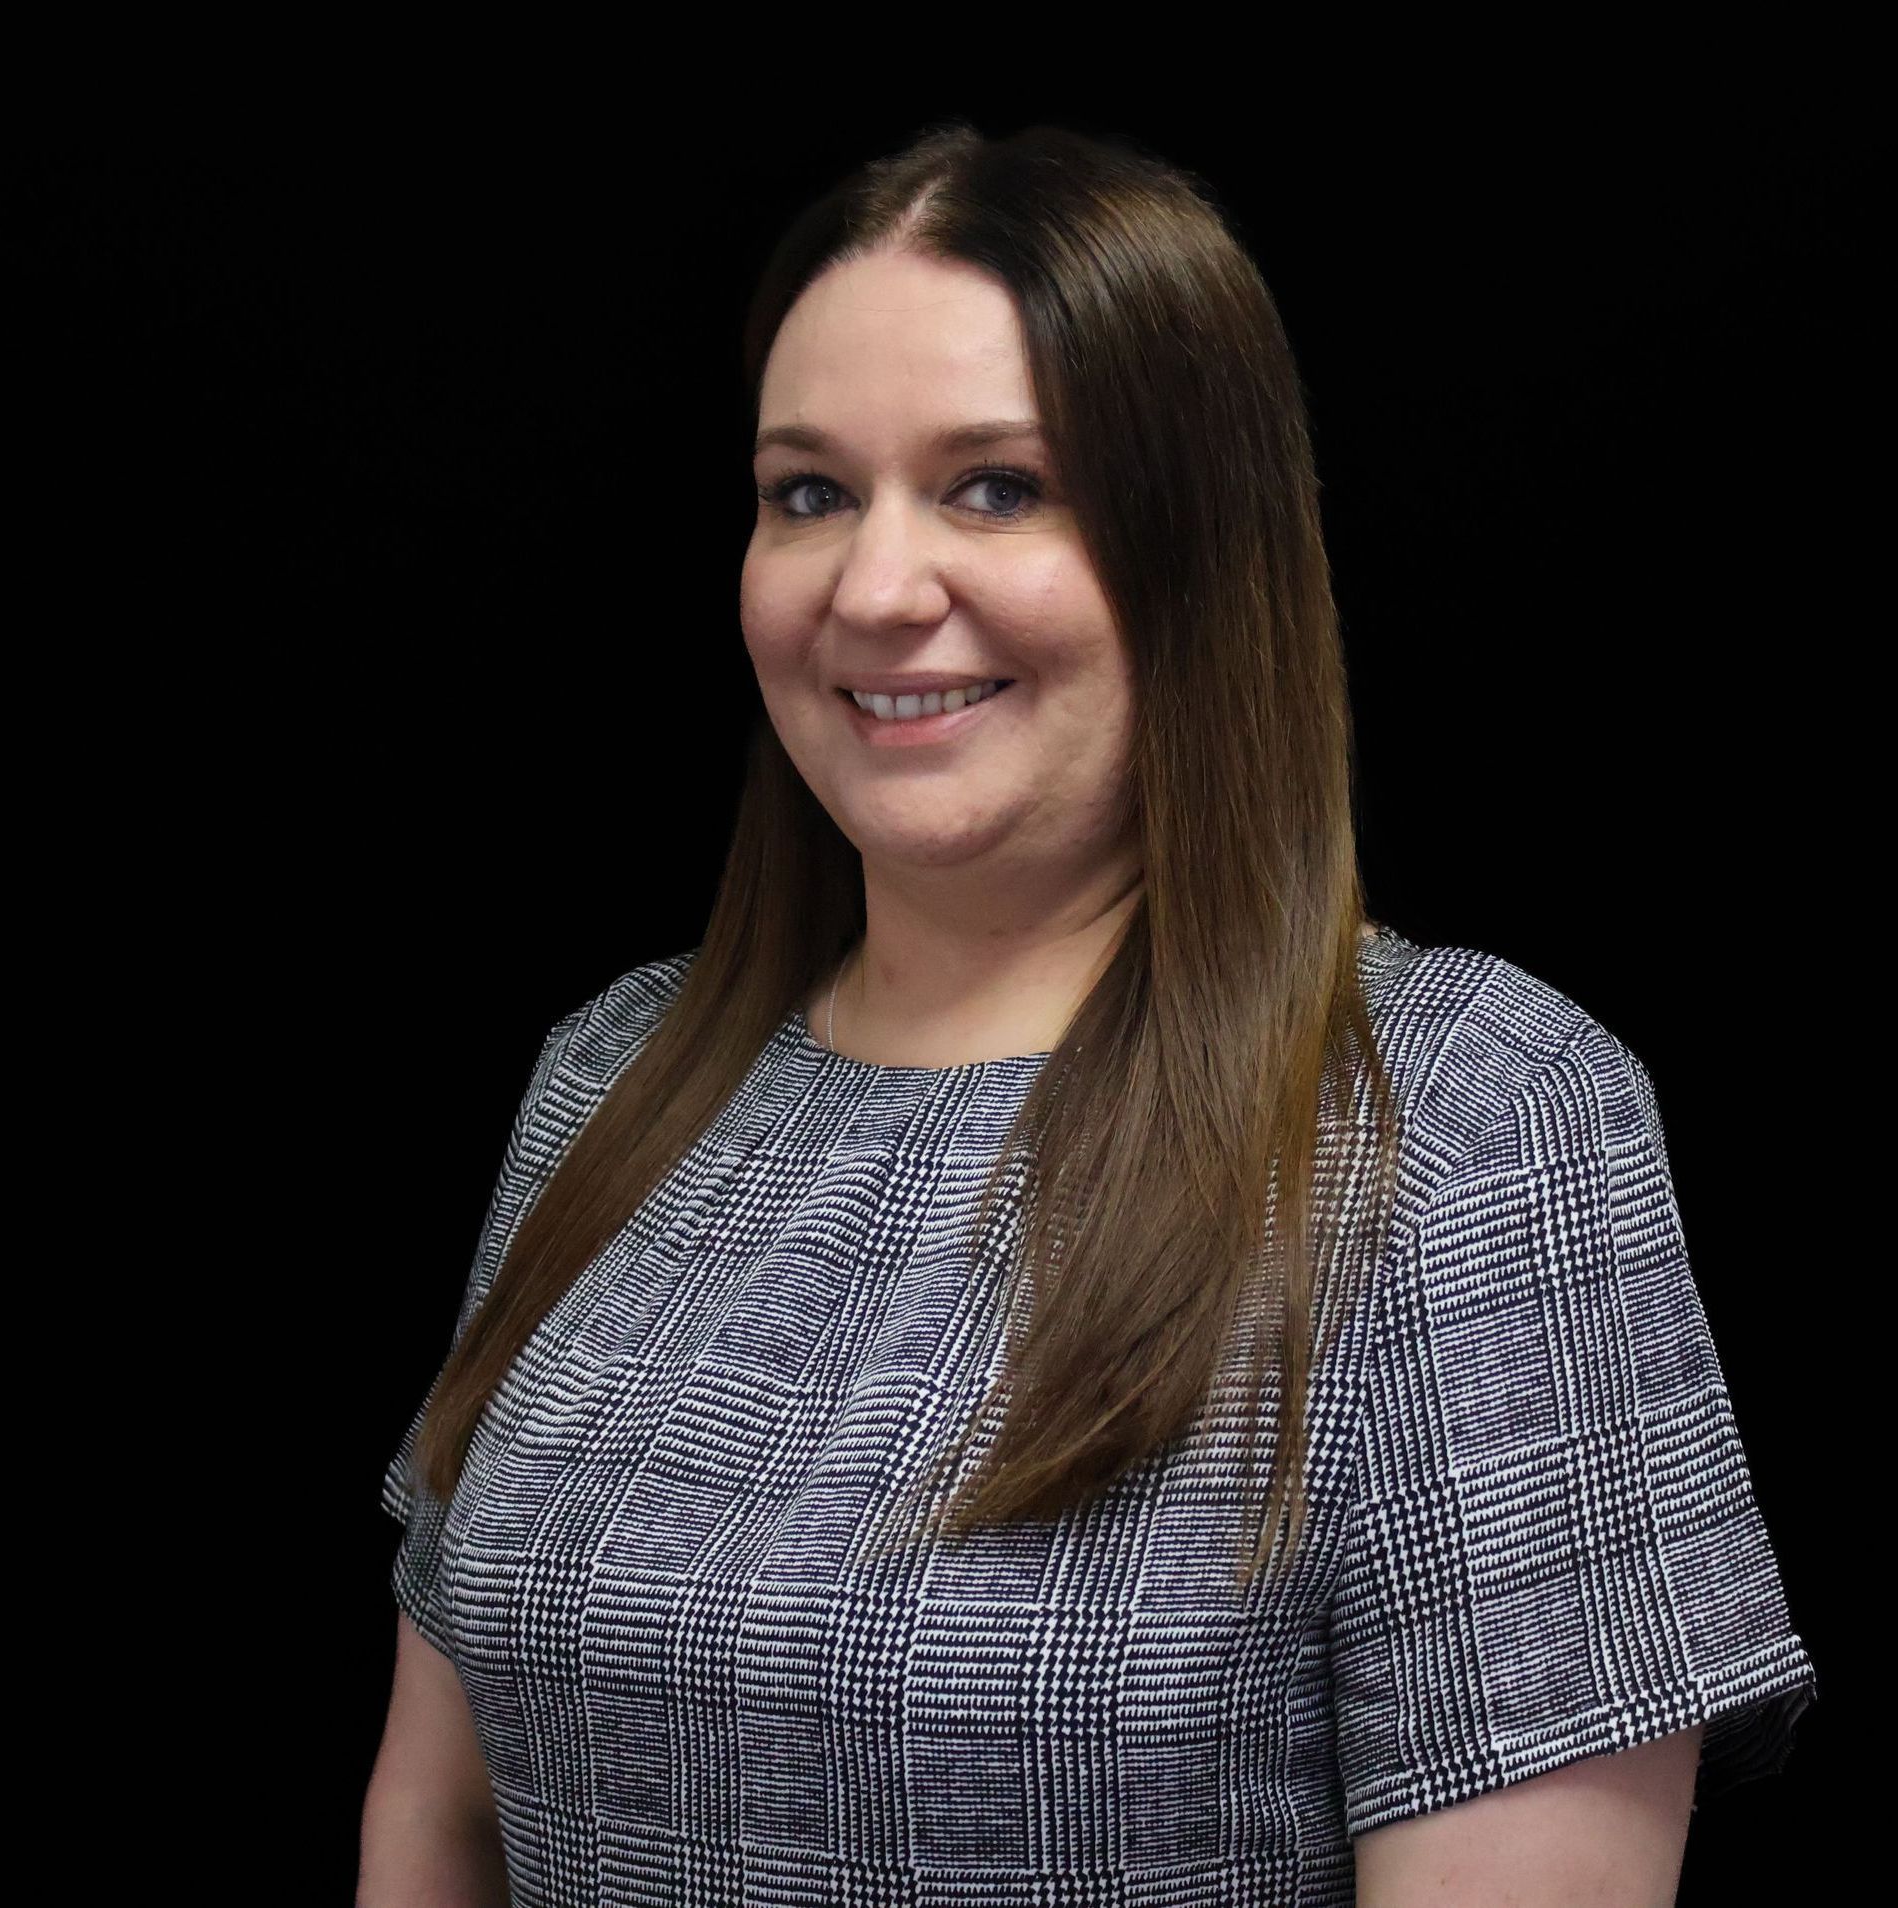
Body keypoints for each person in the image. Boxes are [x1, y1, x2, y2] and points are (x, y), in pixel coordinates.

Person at [357, 122, 1816, 1908]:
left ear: (1202, 546)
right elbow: (437, 1829)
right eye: (809, 492)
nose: (878, 590)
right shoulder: (615, 1078)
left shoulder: (1469, 1125)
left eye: (998, 487)